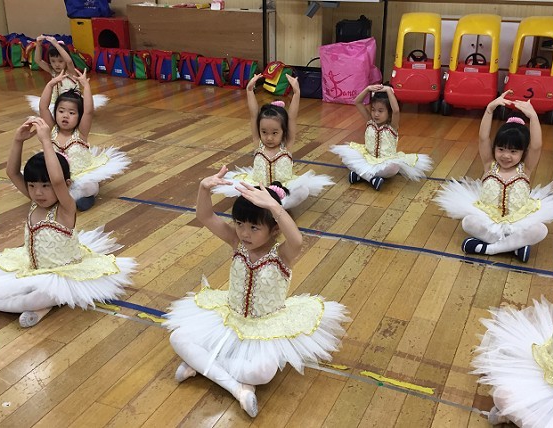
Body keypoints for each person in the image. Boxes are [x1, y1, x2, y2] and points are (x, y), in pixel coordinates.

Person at [164, 166, 350, 417]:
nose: (244, 233)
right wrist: (203, 188)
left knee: (262, 372)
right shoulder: (236, 242)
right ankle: (238, 389)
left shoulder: (283, 255)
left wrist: (275, 207)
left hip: (264, 328)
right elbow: (205, 216)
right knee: (177, 337)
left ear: (274, 229)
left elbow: (297, 240)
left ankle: (202, 363)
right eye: (240, 224)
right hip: (229, 318)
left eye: (254, 227)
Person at [0, 117, 137, 327]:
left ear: (66, 185)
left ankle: (14, 304)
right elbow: (12, 173)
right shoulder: (35, 202)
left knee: (36, 296)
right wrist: (18, 140)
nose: (38, 193)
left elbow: (57, 179)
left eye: (45, 186)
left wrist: (45, 141)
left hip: (62, 275)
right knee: (11, 285)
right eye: (32, 186)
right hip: (34, 269)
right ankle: (38, 307)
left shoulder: (65, 209)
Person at [432, 91, 553, 262]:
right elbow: (483, 138)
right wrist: (489, 110)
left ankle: (489, 249)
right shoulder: (489, 165)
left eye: (513, 151)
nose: (506, 156)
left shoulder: (525, 169)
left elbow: (536, 145)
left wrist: (533, 116)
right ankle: (514, 246)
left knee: (540, 230)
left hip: (518, 221)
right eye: (501, 149)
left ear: (523, 152)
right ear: (494, 148)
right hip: (488, 219)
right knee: (468, 222)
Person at [211, 73, 334, 210]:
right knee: (242, 190)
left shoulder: (286, 146)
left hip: (282, 190)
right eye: (264, 132)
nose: (269, 138)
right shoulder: (258, 143)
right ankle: (265, 204)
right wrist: (249, 90)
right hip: (259, 188)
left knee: (302, 191)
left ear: (283, 132)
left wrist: (296, 93)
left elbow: (292, 117)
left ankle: (275, 206)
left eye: (274, 133)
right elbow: (253, 115)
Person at [39, 68, 130, 211]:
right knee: (39, 184)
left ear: (79, 116)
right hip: (57, 178)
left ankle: (80, 197)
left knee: (87, 188)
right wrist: (50, 85)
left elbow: (88, 111)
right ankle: (62, 197)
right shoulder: (52, 130)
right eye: (61, 111)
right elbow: (43, 107)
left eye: (71, 113)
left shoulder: (80, 133)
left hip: (78, 176)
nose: (65, 116)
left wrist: (86, 86)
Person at [471, 295, 553, 428]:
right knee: (502, 396)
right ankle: (515, 412)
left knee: (505, 397)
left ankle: (514, 413)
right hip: (550, 364)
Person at [329, 83, 433, 190]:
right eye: (373, 110)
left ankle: (360, 175)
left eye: (380, 111)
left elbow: (396, 110)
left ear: (389, 112)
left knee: (393, 169)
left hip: (385, 161)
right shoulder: (370, 121)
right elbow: (357, 102)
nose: (376, 114)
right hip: (368, 158)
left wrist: (388, 90)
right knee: (346, 157)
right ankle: (372, 179)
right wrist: (367, 89)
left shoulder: (392, 127)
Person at [25, 34, 108, 114]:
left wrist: (56, 44)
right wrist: (38, 45)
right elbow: (38, 60)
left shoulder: (71, 71)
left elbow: (69, 61)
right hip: (57, 103)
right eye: (53, 61)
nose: (56, 64)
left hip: (73, 103)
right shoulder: (53, 71)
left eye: (60, 61)